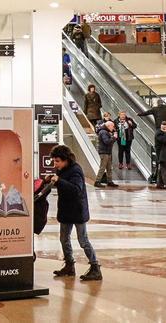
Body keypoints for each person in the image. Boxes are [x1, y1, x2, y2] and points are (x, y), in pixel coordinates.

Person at [47, 145, 102, 281]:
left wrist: (59, 181)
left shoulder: (76, 170)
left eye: (57, 161)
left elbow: (76, 189)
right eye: (54, 161)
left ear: (66, 160)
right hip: (66, 210)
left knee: (83, 240)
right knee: (64, 239)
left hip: (77, 211)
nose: (55, 164)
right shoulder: (61, 169)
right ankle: (69, 265)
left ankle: (95, 268)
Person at [94, 120, 119, 188]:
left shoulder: (106, 131)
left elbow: (110, 142)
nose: (113, 128)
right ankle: (97, 181)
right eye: (112, 126)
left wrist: (114, 138)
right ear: (108, 126)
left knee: (109, 168)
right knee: (103, 167)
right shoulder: (103, 132)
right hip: (104, 152)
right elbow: (107, 142)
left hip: (107, 152)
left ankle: (109, 181)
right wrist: (114, 137)